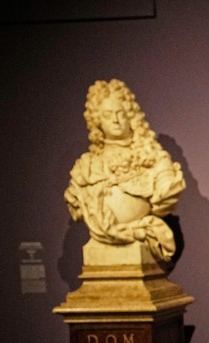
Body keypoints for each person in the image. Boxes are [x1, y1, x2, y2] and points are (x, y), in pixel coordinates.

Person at [65, 79, 184, 264]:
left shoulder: (153, 158)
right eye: (107, 114)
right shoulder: (86, 166)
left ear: (131, 116)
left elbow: (167, 190)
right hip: (99, 253)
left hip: (142, 249)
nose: (115, 120)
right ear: (97, 121)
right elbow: (76, 203)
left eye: (120, 113)